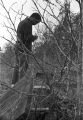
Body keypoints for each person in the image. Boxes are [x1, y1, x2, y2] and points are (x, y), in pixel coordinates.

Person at [11, 13, 41, 87]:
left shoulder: (23, 22)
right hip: (23, 49)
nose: (36, 24)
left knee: (17, 66)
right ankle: (20, 86)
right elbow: (27, 38)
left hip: (18, 48)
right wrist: (34, 37)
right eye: (36, 22)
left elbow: (23, 37)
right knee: (23, 68)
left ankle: (14, 84)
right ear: (33, 18)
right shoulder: (28, 23)